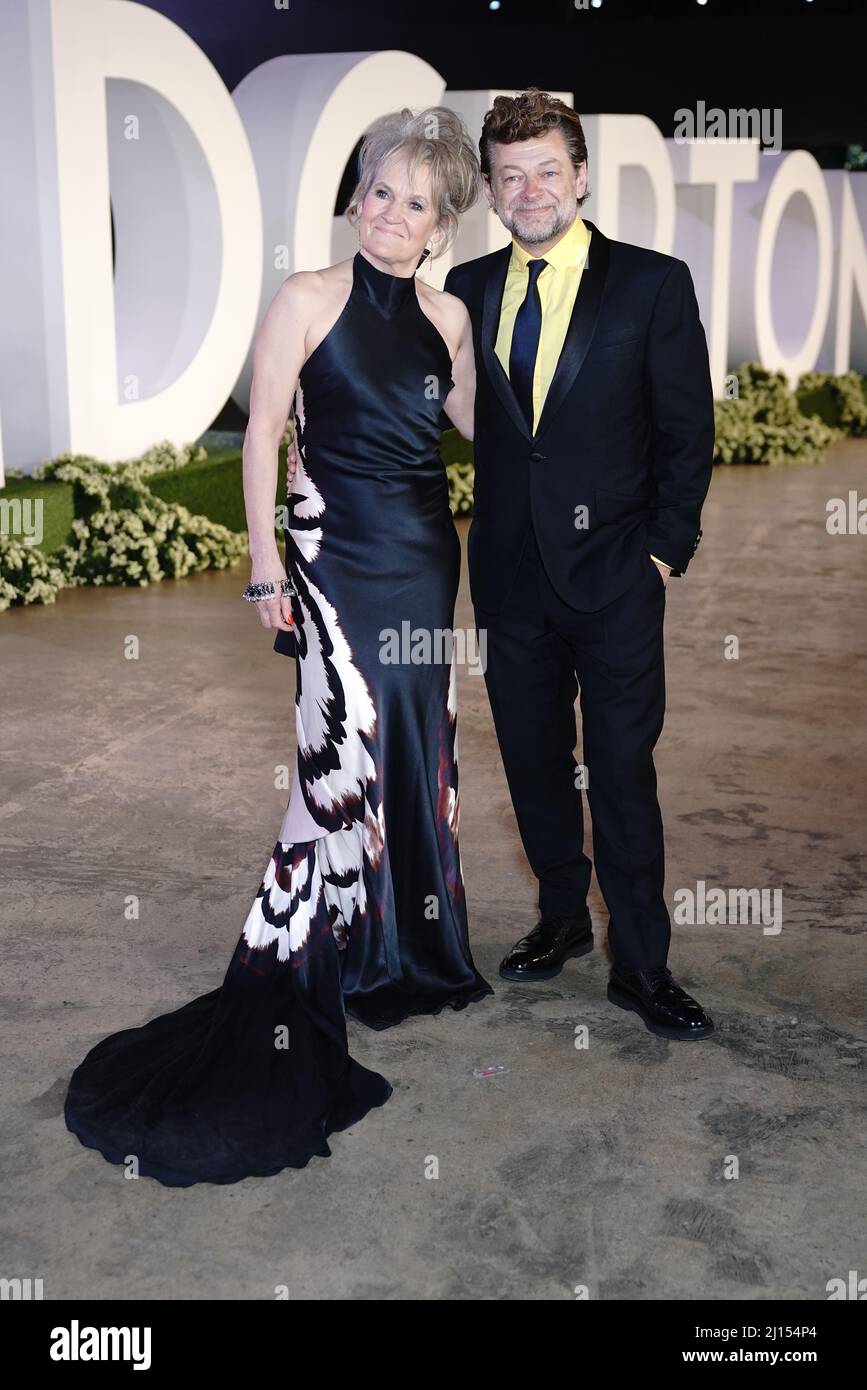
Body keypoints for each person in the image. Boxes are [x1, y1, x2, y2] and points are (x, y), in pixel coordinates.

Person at [63, 107, 492, 1187]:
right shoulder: (307, 296)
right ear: (359, 195)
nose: (391, 213)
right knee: (334, 755)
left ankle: (406, 949)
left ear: (441, 225)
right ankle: (316, 948)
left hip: (424, 553)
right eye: (380, 189)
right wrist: (263, 564)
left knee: (416, 743)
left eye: (416, 202)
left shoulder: (448, 319)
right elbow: (262, 431)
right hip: (332, 555)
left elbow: (492, 431)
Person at [442, 90, 716, 1040]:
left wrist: (662, 553)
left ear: (581, 176)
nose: (529, 191)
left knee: (620, 771)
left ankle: (642, 965)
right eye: (510, 176)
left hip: (615, 579)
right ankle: (562, 918)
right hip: (511, 576)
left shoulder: (650, 284)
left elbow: (687, 431)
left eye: (547, 170)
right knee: (530, 761)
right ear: (489, 188)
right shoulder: (466, 290)